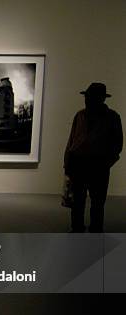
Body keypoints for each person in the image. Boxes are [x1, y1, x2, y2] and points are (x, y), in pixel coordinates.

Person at [64, 82, 123, 232]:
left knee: (97, 202)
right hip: (79, 164)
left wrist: (106, 163)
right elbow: (72, 139)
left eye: (91, 97)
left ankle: (96, 230)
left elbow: (117, 144)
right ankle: (77, 228)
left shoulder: (112, 117)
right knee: (77, 201)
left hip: (98, 165)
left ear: (101, 99)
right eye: (87, 97)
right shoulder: (80, 115)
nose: (87, 100)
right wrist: (67, 162)